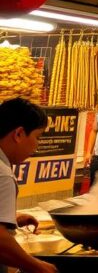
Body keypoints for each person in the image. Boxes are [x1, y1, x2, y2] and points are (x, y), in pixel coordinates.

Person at [0, 98, 56, 273]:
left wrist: (11, 218)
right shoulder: (3, 174)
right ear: (19, 134)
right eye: (37, 137)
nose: (36, 146)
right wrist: (38, 267)